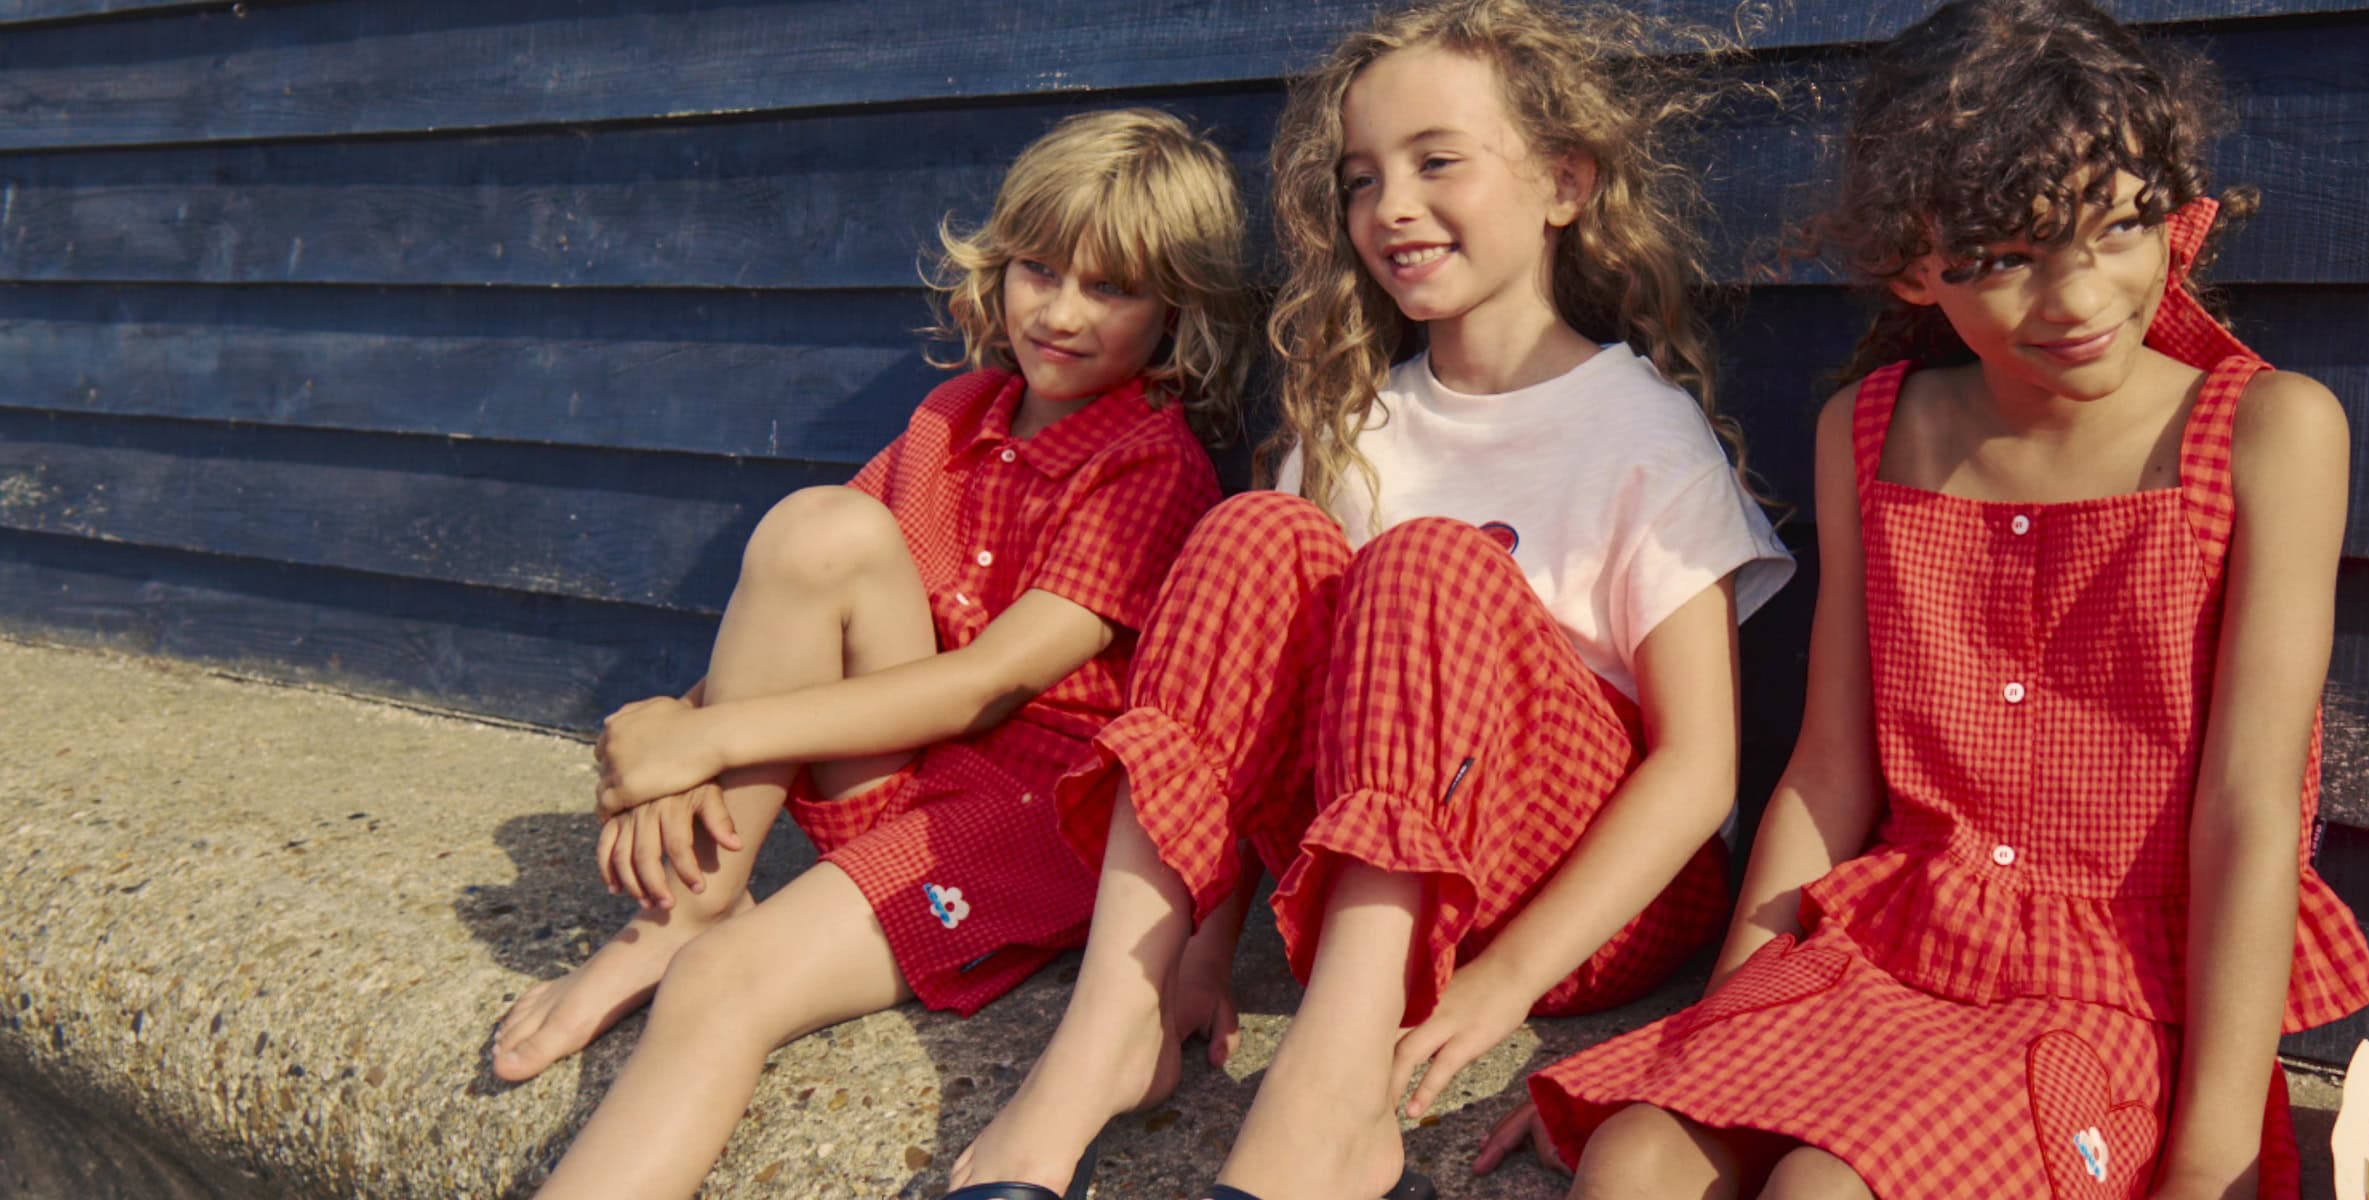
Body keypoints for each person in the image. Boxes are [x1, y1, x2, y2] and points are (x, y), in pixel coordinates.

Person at [1504, 2, 2369, 1196]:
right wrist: (1717, 1034)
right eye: (2009, 257)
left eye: (2118, 226)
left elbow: (2250, 809)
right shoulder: (1871, 431)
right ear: (1917, 261)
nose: (2078, 298)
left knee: (1824, 1188)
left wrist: (2215, 1158)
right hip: (1885, 949)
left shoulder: (2266, 432)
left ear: (2169, 210)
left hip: (2104, 992)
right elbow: (1826, 774)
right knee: (1629, 1164)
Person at [941, 3, 1790, 1198]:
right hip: (1353, 874)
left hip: (1571, 903)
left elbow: (1699, 773)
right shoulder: (1358, 425)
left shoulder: (1642, 433)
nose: (1390, 205)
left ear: (1563, 181)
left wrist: (1502, 987)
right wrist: (1204, 944)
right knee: (1253, 531)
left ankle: (1332, 1100)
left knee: (1428, 560)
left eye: (1437, 161)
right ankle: (1108, 1029)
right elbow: (1241, 715)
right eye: (1360, 178)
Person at [486, 106, 1249, 1200]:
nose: (1064, 312)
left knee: (722, 987)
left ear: (1175, 310)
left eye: (1113, 288)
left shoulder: (1148, 465)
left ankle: (698, 944)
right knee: (815, 530)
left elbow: (992, 687)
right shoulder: (955, 415)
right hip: (911, 767)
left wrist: (703, 736)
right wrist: (679, 738)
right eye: (1040, 268)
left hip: (1032, 821)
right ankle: (689, 902)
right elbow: (797, 615)